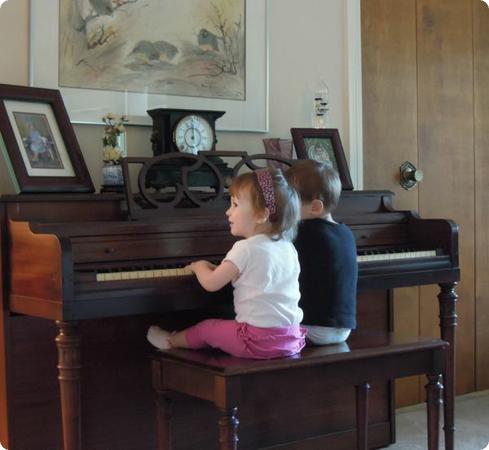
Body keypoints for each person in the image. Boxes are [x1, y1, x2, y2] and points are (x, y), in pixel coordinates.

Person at [147, 168, 306, 359]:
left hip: (255, 342)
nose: (228, 211)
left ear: (261, 215)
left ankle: (170, 341)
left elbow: (211, 284)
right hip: (289, 339)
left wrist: (199, 266)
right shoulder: (287, 246)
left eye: (235, 204)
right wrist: (221, 269)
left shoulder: (245, 248)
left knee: (206, 329)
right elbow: (255, 274)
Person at [285, 160, 358, 345]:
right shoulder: (344, 232)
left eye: (288, 203)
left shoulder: (305, 232)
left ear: (316, 207)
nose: (283, 209)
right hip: (343, 329)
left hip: (313, 329)